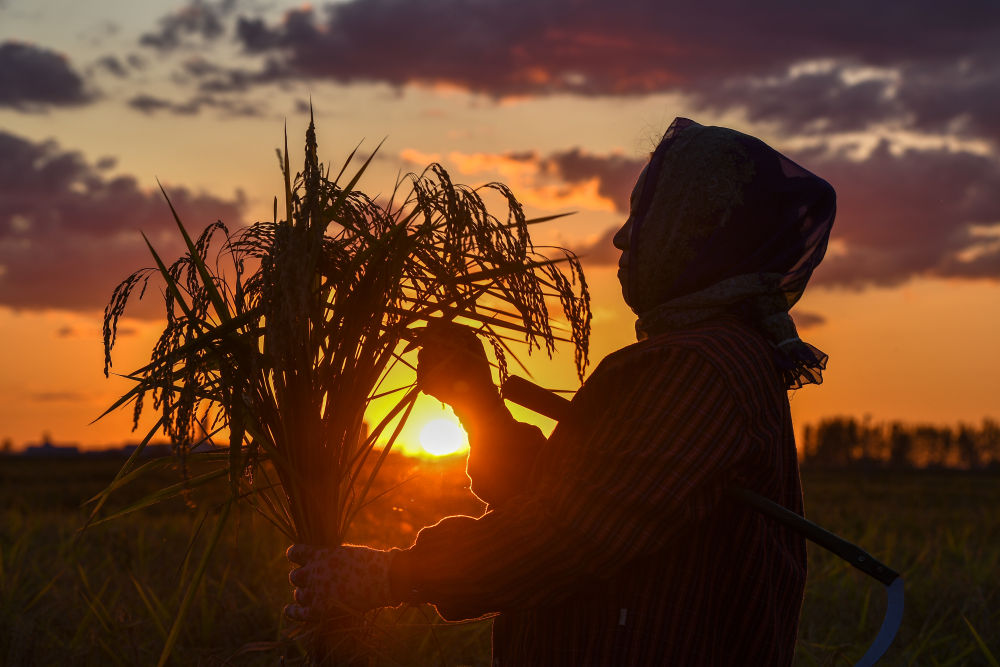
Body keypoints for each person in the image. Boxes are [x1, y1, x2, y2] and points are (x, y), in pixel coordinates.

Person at [285, 117, 837, 665]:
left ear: (696, 229)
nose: (624, 235)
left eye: (647, 213)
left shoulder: (696, 367)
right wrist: (478, 406)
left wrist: (392, 574)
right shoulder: (707, 355)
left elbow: (569, 534)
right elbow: (584, 496)